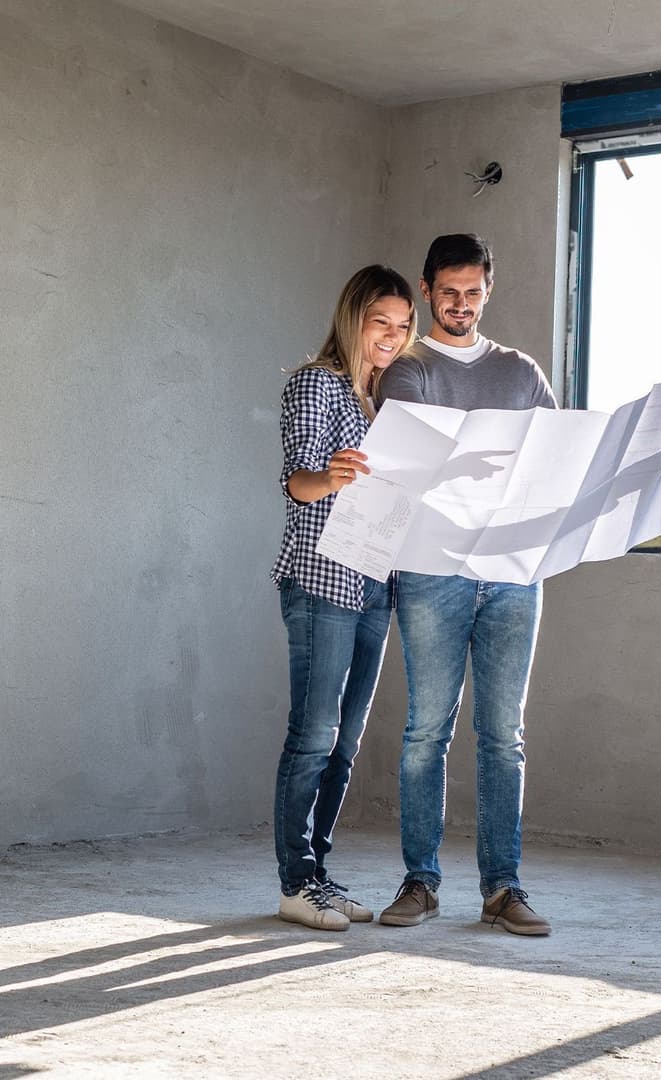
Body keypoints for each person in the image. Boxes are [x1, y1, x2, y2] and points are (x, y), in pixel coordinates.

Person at [375, 234, 661, 936]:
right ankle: (420, 884)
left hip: (515, 574)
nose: (461, 304)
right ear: (427, 290)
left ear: (489, 290)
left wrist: (657, 458)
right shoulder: (409, 369)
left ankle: (502, 890)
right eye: (449, 292)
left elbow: (568, 462)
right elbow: (408, 464)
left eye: (474, 292)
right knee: (426, 731)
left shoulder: (521, 372)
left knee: (503, 735)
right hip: (433, 571)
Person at [270, 264, 418, 931]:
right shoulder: (316, 384)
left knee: (346, 741)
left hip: (374, 582)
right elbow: (297, 484)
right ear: (353, 318)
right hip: (322, 579)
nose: (392, 335)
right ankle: (296, 882)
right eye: (380, 321)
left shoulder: (382, 406)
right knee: (313, 735)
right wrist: (330, 474)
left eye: (403, 325)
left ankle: (319, 875)